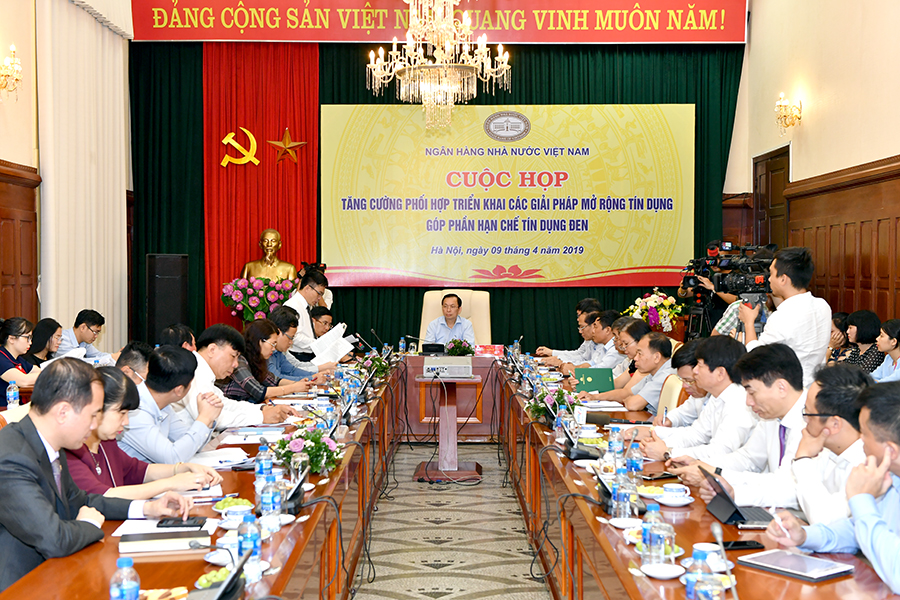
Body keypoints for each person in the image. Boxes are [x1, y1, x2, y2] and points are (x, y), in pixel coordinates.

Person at [0, 358, 191, 592]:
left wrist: (146, 508)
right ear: (63, 412)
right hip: (22, 586)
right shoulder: (11, 458)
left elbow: (83, 500)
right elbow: (54, 538)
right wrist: (89, 523)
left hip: (57, 573)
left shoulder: (50, 444)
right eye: (93, 416)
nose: (94, 426)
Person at [767, 382, 900, 593]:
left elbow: (896, 573)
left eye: (864, 433)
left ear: (891, 451)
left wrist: (862, 499)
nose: (860, 439)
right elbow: (855, 530)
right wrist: (805, 536)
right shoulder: (891, 477)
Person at [673, 344, 807, 509]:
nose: (748, 402)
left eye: (752, 393)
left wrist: (720, 478)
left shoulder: (812, 421)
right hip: (773, 507)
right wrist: (704, 467)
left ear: (781, 388)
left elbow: (788, 486)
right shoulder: (772, 415)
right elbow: (748, 458)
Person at [66, 367, 222, 499]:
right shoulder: (71, 451)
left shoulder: (106, 442)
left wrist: (183, 468)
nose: (126, 422)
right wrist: (170, 483)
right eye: (121, 413)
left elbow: (137, 470)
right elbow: (102, 496)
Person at [641, 336, 756, 461]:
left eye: (700, 365)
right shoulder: (717, 396)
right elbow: (696, 435)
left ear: (720, 373)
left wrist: (668, 452)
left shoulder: (740, 402)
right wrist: (656, 440)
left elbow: (720, 451)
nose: (695, 371)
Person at [738, 247, 831, 387]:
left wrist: (748, 322)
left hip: (790, 389)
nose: (768, 279)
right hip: (814, 387)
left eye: (771, 274)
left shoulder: (782, 317)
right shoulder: (823, 305)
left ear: (783, 279)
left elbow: (755, 358)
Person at [790, 364, 871, 524]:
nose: (805, 421)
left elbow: (826, 522)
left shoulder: (867, 466)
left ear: (835, 424)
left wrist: (802, 459)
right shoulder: (829, 451)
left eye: (808, 414)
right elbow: (791, 489)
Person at [175, 324, 299, 427]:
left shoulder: (202, 371)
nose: (235, 364)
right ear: (212, 350)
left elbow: (226, 405)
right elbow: (213, 418)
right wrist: (261, 417)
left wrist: (263, 408)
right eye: (233, 356)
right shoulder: (192, 372)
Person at [118, 346, 223, 464]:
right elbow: (172, 458)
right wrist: (204, 418)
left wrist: (208, 420)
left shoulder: (163, 404)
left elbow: (191, 445)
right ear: (179, 390)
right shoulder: (134, 410)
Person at [219, 319, 313, 403]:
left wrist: (299, 384)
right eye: (272, 344)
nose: (273, 349)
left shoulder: (256, 359)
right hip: (232, 409)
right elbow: (259, 392)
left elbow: (274, 381)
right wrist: (293, 388)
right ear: (260, 341)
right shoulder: (239, 361)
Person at [577, 319, 651, 404]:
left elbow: (627, 394)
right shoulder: (635, 362)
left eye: (626, 344)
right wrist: (582, 385)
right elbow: (616, 384)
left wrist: (594, 396)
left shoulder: (647, 364)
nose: (623, 348)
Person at [650, 340, 708, 428]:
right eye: (682, 380)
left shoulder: (721, 399)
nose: (684, 385)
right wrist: (669, 420)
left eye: (689, 381)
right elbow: (682, 414)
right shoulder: (698, 396)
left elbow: (700, 433)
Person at [621, 332, 674, 413]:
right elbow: (629, 393)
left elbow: (633, 405)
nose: (635, 358)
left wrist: (628, 400)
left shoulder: (666, 375)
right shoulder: (655, 371)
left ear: (657, 357)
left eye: (640, 354)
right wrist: (599, 397)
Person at [536, 298, 601, 364]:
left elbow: (593, 364)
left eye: (579, 315)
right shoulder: (589, 338)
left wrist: (560, 361)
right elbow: (580, 355)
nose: (578, 319)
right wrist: (555, 355)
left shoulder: (602, 340)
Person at [284, 269, 329, 361]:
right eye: (319, 293)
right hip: (298, 356)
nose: (319, 298)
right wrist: (318, 344)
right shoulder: (292, 306)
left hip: (307, 354)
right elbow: (294, 336)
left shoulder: (305, 306)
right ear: (307, 288)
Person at [558, 310, 622, 375]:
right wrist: (575, 367)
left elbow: (599, 371)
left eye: (595, 327)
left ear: (607, 330)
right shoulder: (605, 347)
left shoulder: (616, 349)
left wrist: (573, 370)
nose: (593, 331)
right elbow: (593, 363)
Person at [268, 307, 319, 381]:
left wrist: (315, 376)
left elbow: (292, 371)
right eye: (290, 338)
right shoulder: (266, 352)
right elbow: (277, 380)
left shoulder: (279, 352)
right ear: (278, 332)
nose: (291, 342)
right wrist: (312, 378)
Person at [0, 318, 41, 401]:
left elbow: (37, 370)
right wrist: (49, 375)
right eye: (27, 338)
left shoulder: (18, 358)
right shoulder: (1, 358)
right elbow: (24, 381)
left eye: (31, 338)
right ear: (11, 339)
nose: (30, 343)